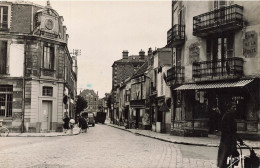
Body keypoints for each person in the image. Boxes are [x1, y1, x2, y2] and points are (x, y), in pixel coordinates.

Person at [217, 103, 243, 168]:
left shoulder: (230, 115)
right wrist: (238, 139)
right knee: (226, 158)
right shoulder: (228, 116)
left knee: (230, 157)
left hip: (228, 141)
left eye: (235, 107)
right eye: (233, 108)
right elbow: (231, 131)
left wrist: (238, 139)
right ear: (229, 108)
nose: (235, 109)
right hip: (227, 142)